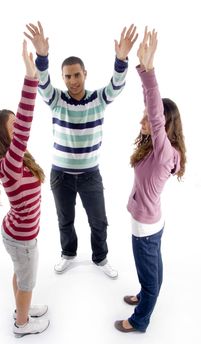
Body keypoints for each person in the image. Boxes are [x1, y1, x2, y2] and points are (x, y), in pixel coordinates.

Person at [24, 21, 138, 278]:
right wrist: (42, 56)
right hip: (60, 175)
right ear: (63, 77)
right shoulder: (57, 100)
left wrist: (121, 59)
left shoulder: (98, 99)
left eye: (77, 75)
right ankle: (68, 254)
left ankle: (101, 257)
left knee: (98, 221)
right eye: (67, 76)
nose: (72, 80)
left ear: (85, 73)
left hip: (90, 174)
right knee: (65, 220)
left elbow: (116, 86)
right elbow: (42, 84)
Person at [114, 28, 186, 333]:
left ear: (163, 125)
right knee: (151, 269)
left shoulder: (163, 151)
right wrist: (141, 68)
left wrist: (151, 69)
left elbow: (156, 113)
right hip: (151, 223)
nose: (142, 121)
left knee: (149, 275)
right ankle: (145, 293)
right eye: (143, 116)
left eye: (148, 119)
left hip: (145, 228)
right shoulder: (157, 149)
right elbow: (151, 108)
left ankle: (141, 319)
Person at [0, 40, 50, 337]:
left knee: (21, 278)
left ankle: (20, 307)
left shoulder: (13, 160)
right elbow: (26, 120)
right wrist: (31, 75)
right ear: (5, 135)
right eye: (14, 125)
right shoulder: (8, 162)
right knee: (27, 281)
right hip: (21, 239)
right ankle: (22, 324)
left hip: (18, 234)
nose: (19, 126)